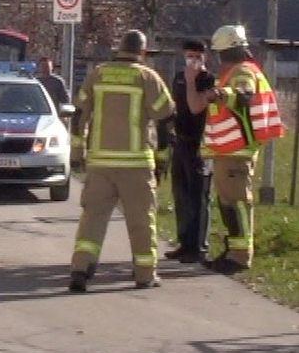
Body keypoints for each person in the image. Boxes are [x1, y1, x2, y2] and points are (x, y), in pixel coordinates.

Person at [68, 30, 175, 293]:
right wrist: (162, 160)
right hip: (136, 164)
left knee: (92, 219)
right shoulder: (147, 77)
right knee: (141, 221)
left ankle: (80, 270)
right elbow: (165, 120)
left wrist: (76, 154)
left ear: (119, 49)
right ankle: (144, 274)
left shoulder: (98, 74)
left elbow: (78, 114)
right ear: (143, 52)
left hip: (100, 164)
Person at [185, 24, 283, 275]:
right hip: (230, 150)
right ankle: (233, 250)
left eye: (220, 53)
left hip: (237, 150)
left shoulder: (241, 71)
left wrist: (220, 93)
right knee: (228, 202)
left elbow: (244, 94)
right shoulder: (238, 70)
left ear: (228, 51)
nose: (219, 58)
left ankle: (240, 256)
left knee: (236, 202)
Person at [163, 39, 215, 264]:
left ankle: (198, 247)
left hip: (200, 143)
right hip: (181, 141)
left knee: (198, 196)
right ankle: (185, 243)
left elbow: (196, 107)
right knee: (181, 195)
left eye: (197, 56)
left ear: (205, 58)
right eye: (189, 56)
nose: (192, 60)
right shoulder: (178, 77)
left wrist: (193, 80)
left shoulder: (207, 80)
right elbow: (176, 105)